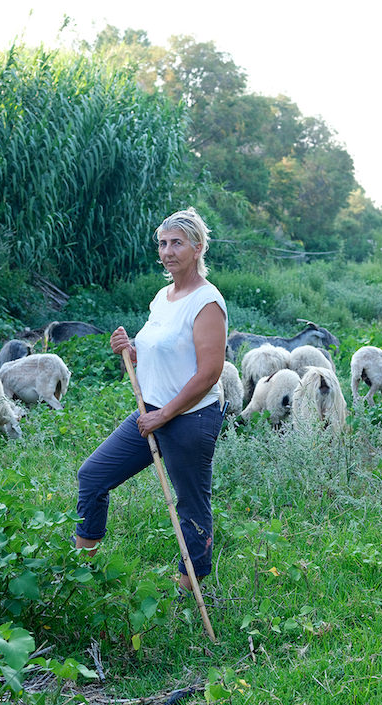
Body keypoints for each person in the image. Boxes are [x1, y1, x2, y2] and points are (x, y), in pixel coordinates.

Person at [74, 208, 228, 594]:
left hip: (190, 418)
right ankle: (77, 573)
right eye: (163, 243)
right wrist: (130, 349)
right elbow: (160, 353)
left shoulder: (207, 302)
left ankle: (189, 590)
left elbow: (209, 373)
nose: (168, 251)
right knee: (92, 476)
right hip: (151, 413)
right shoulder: (163, 297)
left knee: (191, 507)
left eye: (177, 242)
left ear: (198, 247)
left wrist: (166, 415)